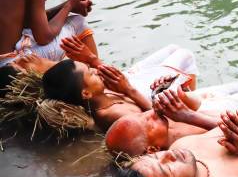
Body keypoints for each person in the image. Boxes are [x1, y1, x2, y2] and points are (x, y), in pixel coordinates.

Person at [41, 38, 201, 130]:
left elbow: (113, 78)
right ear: (86, 93)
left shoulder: (97, 96)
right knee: (185, 55)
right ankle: (191, 93)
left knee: (173, 48)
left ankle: (185, 89)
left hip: (134, 86)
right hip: (145, 95)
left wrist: (91, 59)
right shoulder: (112, 114)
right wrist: (129, 90)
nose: (95, 71)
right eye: (90, 73)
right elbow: (157, 122)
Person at [105, 83, 238, 156]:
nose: (150, 113)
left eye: (140, 114)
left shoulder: (160, 122)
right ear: (153, 149)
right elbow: (234, 129)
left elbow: (188, 103)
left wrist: (167, 91)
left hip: (204, 107)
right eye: (148, 123)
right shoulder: (182, 149)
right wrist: (188, 116)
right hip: (221, 116)